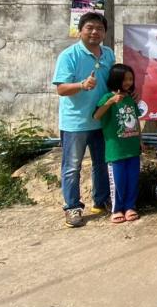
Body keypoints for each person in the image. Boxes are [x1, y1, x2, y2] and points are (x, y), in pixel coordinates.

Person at [52, 12, 115, 228]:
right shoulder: (68, 55)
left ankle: (101, 200)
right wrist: (81, 85)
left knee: (102, 163)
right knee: (72, 166)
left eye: (99, 28)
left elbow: (112, 83)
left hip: (101, 120)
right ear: (80, 31)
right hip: (75, 123)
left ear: (105, 33)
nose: (95, 32)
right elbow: (61, 89)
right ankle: (72, 207)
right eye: (90, 28)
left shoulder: (108, 54)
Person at [93, 64, 142, 224]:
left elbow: (136, 121)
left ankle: (130, 206)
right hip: (115, 150)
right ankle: (116, 209)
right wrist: (110, 102)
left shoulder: (130, 98)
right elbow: (96, 116)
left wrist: (140, 140)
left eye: (130, 79)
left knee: (132, 179)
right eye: (125, 79)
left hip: (132, 148)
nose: (128, 82)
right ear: (116, 79)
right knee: (118, 181)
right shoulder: (107, 97)